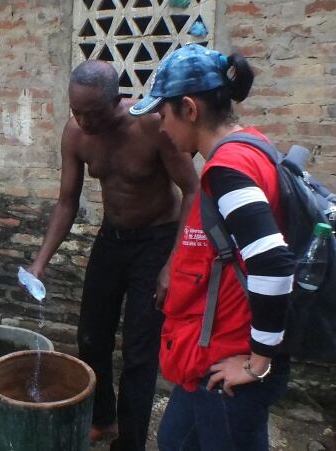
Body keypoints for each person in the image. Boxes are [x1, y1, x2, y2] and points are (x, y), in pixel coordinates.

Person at [129, 43, 295, 450]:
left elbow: (273, 261)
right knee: (174, 440)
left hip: (229, 364)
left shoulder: (228, 169)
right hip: (208, 357)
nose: (161, 128)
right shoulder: (252, 146)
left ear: (189, 109)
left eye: (163, 114)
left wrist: (257, 362)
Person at [27, 60, 199, 451]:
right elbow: (66, 201)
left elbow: (192, 189)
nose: (84, 121)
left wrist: (174, 263)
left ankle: (131, 441)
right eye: (76, 112)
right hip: (112, 239)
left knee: (140, 352)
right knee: (90, 338)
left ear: (117, 102)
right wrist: (40, 262)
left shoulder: (151, 126)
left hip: (156, 241)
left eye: (93, 113)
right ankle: (103, 419)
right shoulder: (76, 134)